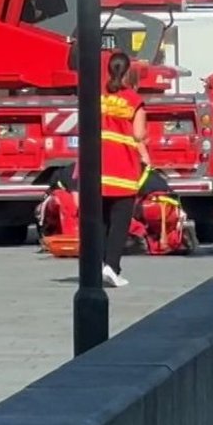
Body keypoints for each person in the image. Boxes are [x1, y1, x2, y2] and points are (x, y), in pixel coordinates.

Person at [96, 52, 149, 288]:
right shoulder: (133, 100)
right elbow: (138, 135)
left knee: (100, 222)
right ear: (128, 72)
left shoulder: (98, 98)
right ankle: (112, 267)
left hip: (97, 169)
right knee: (119, 224)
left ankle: (97, 266)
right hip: (123, 170)